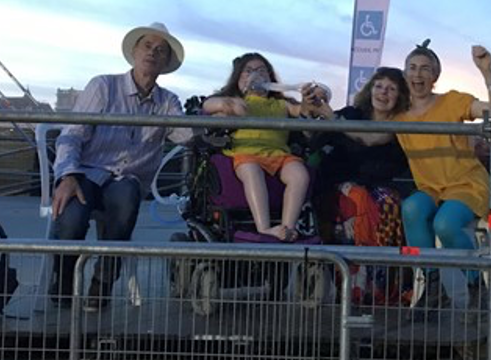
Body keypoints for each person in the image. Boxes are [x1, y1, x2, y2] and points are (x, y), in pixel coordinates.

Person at [50, 22, 193, 311]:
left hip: (126, 180)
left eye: (161, 50)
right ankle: (63, 281)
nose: (153, 53)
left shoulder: (168, 102)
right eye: (147, 46)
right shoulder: (103, 86)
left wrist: (216, 109)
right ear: (134, 51)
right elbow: (72, 133)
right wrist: (66, 175)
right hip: (86, 172)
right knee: (72, 216)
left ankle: (101, 286)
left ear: (165, 62)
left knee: (127, 199)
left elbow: (188, 136)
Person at [395, 39, 491, 322]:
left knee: (445, 224)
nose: (418, 74)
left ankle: (476, 287)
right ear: (404, 72)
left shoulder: (452, 101)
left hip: (465, 183)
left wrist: (487, 72)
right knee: (411, 209)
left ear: (435, 77)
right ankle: (433, 290)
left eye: (425, 69)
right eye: (412, 68)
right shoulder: (398, 114)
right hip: (430, 188)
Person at [304, 67, 414, 305]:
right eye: (379, 86)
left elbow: (369, 139)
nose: (383, 92)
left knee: (390, 203)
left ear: (400, 96)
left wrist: (334, 121)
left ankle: (384, 287)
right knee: (357, 197)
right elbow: (314, 138)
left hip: (378, 183)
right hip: (339, 183)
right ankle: (353, 286)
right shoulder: (352, 113)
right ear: (370, 88)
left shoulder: (400, 124)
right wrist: (315, 107)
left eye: (391, 88)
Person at [202, 53, 313, 242]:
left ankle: (288, 228)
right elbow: (207, 105)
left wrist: (309, 101)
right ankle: (265, 228)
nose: (256, 75)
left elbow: (301, 111)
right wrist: (229, 103)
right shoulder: (237, 103)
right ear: (238, 78)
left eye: (262, 70)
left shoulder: (282, 104)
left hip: (279, 154)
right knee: (252, 172)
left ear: (271, 78)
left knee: (300, 175)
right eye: (249, 71)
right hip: (246, 154)